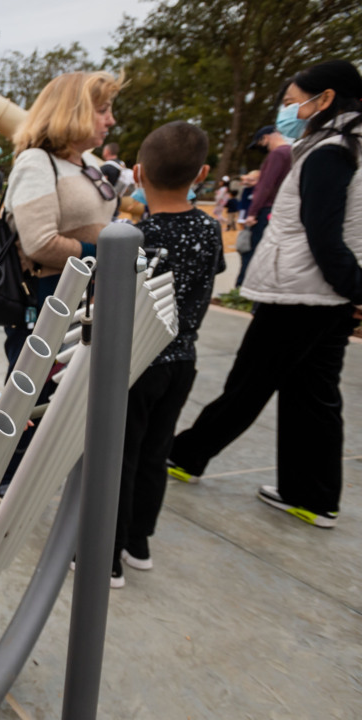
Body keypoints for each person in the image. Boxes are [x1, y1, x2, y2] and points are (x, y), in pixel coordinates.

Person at [168, 59, 362, 529]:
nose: (287, 111)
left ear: (325, 99)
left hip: (299, 293)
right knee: (312, 393)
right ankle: (312, 495)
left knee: (249, 383)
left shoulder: (329, 152)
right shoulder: (349, 146)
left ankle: (185, 456)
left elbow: (322, 234)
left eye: (293, 102)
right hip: (326, 297)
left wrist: (354, 287)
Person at [0, 71, 121, 496]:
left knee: (58, 392)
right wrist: (104, 253)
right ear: (73, 111)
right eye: (102, 110)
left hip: (82, 296)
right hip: (47, 298)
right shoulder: (37, 162)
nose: (110, 120)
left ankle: (32, 471)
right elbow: (39, 243)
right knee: (31, 391)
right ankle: (6, 474)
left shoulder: (86, 164)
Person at [110, 121, 224, 587]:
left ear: (137, 173)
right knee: (155, 453)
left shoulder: (138, 237)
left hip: (140, 362)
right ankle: (138, 542)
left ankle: (107, 555)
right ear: (202, 173)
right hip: (183, 361)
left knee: (121, 457)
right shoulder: (211, 229)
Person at [239, 125, 292, 287]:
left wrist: (252, 212)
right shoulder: (293, 152)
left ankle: (244, 286)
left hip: (265, 210)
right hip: (282, 209)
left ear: (266, 138)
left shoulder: (277, 154)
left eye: (260, 143)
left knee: (251, 251)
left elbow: (265, 185)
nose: (262, 148)